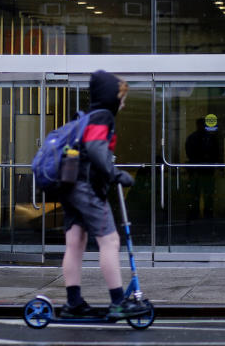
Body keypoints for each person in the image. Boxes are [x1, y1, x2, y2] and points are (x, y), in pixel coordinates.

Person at [58, 70, 142, 319]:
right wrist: (115, 174)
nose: (123, 104)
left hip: (71, 186)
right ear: (110, 97)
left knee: (75, 244)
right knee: (110, 241)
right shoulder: (103, 116)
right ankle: (118, 302)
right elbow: (95, 149)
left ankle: (73, 304)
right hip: (88, 188)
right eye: (122, 98)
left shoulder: (87, 117)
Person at [185, 117, 222, 220]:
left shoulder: (194, 137)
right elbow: (216, 153)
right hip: (203, 169)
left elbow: (189, 152)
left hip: (199, 169)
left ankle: (198, 212)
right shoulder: (209, 138)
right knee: (203, 193)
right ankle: (204, 212)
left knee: (200, 193)